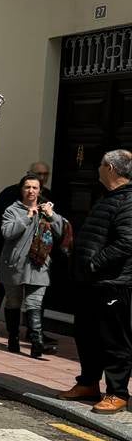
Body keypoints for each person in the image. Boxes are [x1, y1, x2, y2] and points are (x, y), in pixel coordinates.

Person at [59, 150, 132, 414]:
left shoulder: (127, 201)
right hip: (92, 284)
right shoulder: (109, 198)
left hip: (113, 284)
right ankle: (88, 383)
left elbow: (126, 242)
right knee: (87, 335)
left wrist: (94, 262)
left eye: (100, 164)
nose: (98, 168)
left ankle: (118, 393)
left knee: (114, 340)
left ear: (110, 168)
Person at [0, 162, 54, 335]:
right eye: (38, 174)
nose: (42, 178)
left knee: (35, 293)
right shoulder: (10, 194)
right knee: (2, 287)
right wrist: (4, 245)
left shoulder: (47, 196)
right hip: (11, 251)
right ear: (28, 174)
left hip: (37, 254)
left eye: (46, 174)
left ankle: (34, 333)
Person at [0, 174, 63, 359]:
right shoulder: (12, 210)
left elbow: (61, 232)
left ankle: (36, 343)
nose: (31, 191)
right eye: (27, 187)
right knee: (13, 302)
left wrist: (52, 216)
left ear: (40, 190)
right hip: (14, 265)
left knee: (35, 303)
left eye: (35, 187)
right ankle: (13, 338)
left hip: (38, 265)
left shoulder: (46, 210)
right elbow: (7, 232)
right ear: (21, 189)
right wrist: (26, 217)